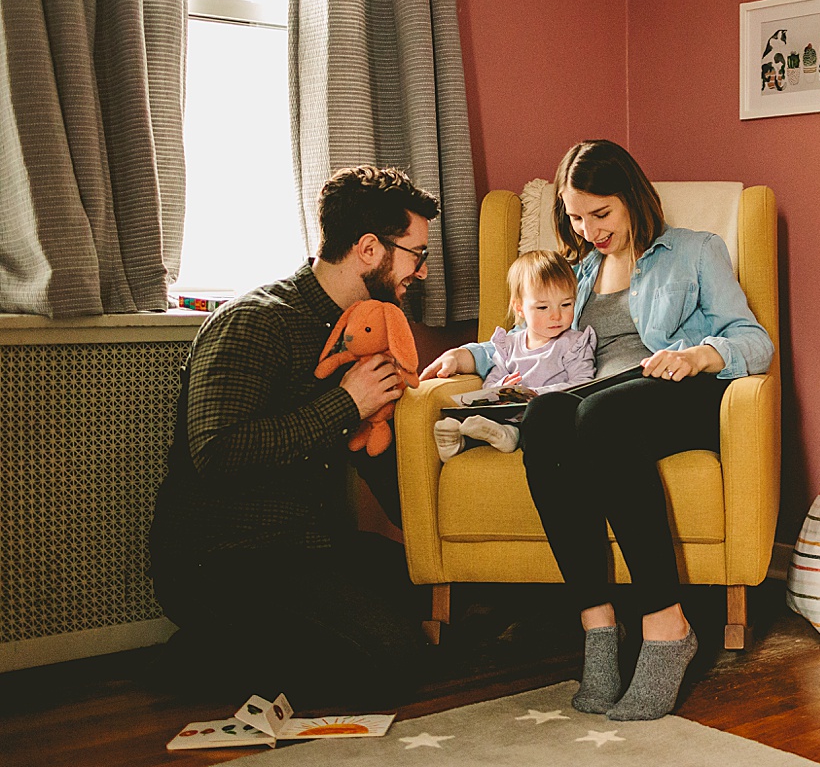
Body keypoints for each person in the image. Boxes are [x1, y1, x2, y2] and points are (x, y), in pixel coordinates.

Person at [421, 140, 773, 721]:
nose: (588, 230)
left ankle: (667, 627)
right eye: (576, 217)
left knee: (599, 415)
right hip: (598, 401)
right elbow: (528, 337)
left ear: (632, 198)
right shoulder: (578, 271)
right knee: (545, 416)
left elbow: (754, 340)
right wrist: (468, 357)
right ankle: (599, 627)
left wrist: (702, 356)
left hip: (679, 389)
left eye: (600, 214)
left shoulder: (695, 251)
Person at [148, 165, 440, 707]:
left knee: (448, 594)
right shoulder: (257, 322)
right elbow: (216, 453)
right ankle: (197, 655)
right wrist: (345, 403)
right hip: (225, 558)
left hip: (307, 549)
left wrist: (437, 522)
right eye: (417, 254)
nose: (421, 273)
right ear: (370, 248)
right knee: (388, 663)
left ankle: (270, 640)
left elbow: (369, 453)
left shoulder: (362, 329)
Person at [429, 250, 596, 460]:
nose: (556, 315)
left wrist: (538, 393)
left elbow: (583, 384)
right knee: (479, 415)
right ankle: (458, 440)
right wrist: (501, 385)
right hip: (508, 412)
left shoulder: (574, 343)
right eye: (543, 307)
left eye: (566, 304)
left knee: (533, 421)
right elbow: (489, 383)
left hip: (546, 417)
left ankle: (505, 436)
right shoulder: (509, 345)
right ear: (520, 308)